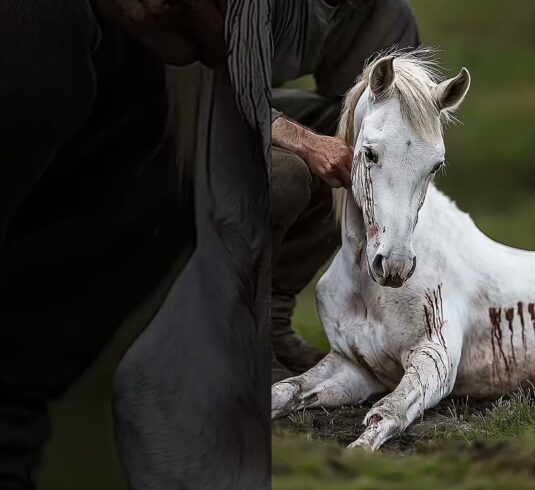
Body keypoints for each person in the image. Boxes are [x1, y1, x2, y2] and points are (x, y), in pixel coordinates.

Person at [0, 0, 419, 487]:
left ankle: (271, 325)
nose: (222, 31)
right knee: (278, 173)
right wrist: (303, 143)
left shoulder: (367, 17)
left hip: (151, 106)